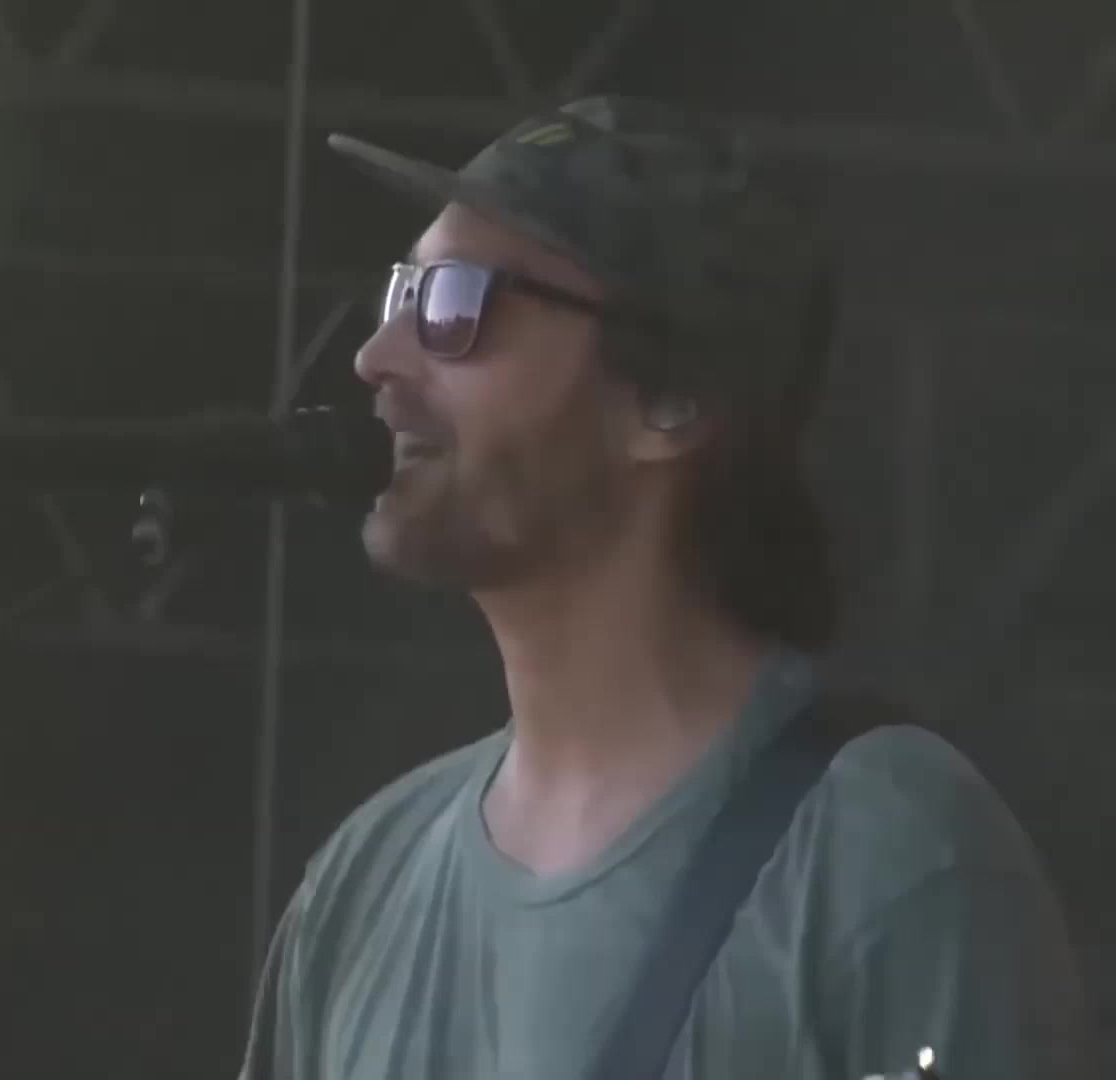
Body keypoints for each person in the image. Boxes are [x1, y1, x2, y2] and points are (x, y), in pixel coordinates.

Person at [239, 96, 1089, 1079]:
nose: (376, 358)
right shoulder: (359, 885)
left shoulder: (890, 859)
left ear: (672, 401)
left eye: (455, 304)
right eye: (403, 293)